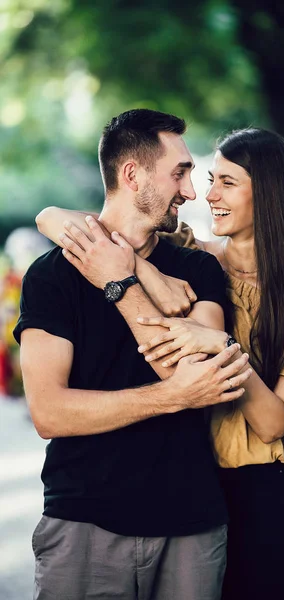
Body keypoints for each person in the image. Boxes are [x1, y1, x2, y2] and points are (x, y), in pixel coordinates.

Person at [37, 127, 284, 599]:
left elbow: (272, 422)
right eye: (207, 178)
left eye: (226, 182)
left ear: (268, 194)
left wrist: (217, 343)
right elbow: (73, 221)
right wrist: (147, 272)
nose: (206, 193)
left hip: (259, 500)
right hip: (197, 488)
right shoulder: (195, 258)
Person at [14, 109, 255, 600]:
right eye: (180, 173)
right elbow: (49, 412)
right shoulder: (50, 276)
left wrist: (122, 279)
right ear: (132, 174)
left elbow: (199, 378)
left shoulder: (198, 272)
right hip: (84, 524)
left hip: (192, 525)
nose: (191, 192)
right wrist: (169, 398)